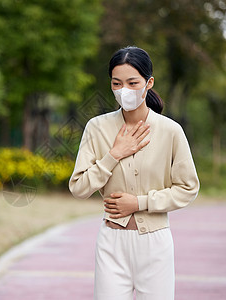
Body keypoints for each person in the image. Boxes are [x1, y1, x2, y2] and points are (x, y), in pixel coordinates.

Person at [69, 46, 199, 300]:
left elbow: (188, 188)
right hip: (111, 243)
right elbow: (79, 187)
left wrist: (139, 203)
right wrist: (114, 154)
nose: (124, 91)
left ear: (149, 83)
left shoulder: (170, 131)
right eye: (117, 83)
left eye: (132, 82)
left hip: (155, 245)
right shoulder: (96, 128)